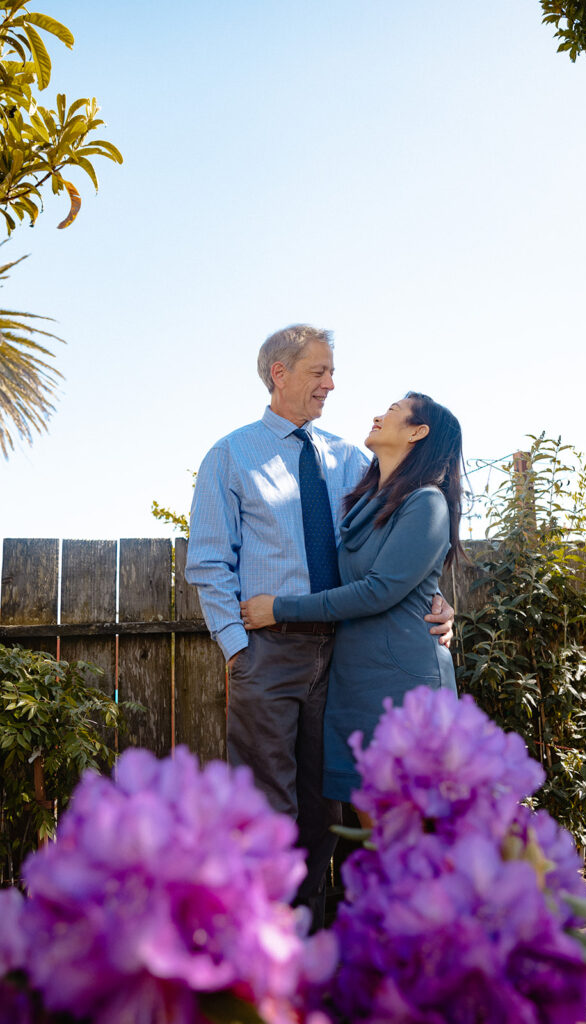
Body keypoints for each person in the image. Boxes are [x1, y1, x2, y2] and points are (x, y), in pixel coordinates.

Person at [185, 325, 454, 929]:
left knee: (326, 801)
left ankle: (319, 931)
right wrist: (238, 649)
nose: (332, 384)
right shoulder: (230, 455)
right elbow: (207, 562)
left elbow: (395, 545)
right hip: (268, 654)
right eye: (319, 371)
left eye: (332, 372)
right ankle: (272, 940)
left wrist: (436, 603)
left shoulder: (350, 457)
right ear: (279, 373)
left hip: (345, 657)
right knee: (267, 803)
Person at [241, 392, 463, 811]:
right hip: (356, 681)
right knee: (371, 823)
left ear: (418, 432)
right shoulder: (368, 500)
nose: (379, 415)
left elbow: (381, 589)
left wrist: (279, 607)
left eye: (394, 411)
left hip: (403, 683)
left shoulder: (427, 502)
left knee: (408, 829)